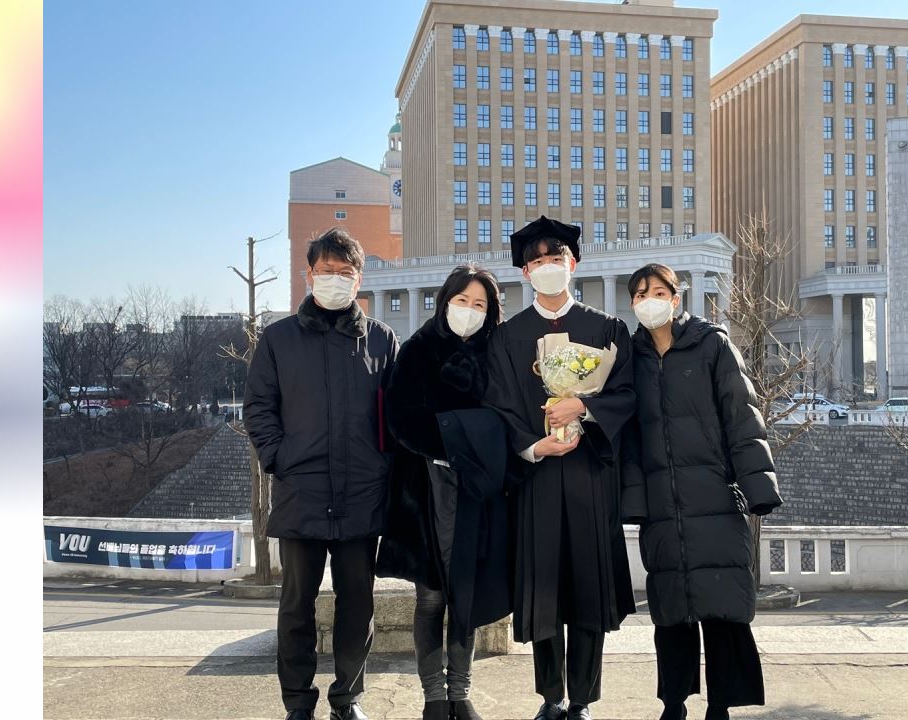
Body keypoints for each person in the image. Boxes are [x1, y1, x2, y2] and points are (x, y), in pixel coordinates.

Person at [483, 216, 637, 720]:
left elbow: (627, 394)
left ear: (574, 263)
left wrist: (584, 408)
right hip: (537, 481)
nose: (547, 266)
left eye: (556, 258)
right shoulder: (507, 338)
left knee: (588, 588)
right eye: (537, 261)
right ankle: (550, 697)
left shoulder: (608, 329)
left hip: (591, 476)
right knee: (543, 587)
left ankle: (582, 700)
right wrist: (533, 447)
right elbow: (499, 406)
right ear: (524, 272)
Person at [244, 228, 400, 720]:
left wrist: (384, 467)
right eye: (326, 270)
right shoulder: (278, 339)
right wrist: (279, 457)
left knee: (358, 605)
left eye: (345, 272)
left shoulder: (381, 340)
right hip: (301, 493)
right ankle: (297, 702)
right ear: (309, 275)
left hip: (362, 496)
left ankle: (347, 698)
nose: (335, 279)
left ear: (359, 279)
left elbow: (396, 414)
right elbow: (259, 407)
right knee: (296, 606)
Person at [619, 264, 783, 720]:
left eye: (657, 292)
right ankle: (673, 703)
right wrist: (632, 501)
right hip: (661, 505)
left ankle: (720, 705)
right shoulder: (629, 356)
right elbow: (627, 436)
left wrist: (757, 486)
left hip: (713, 495)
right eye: (639, 294)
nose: (648, 300)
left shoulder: (712, 345)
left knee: (721, 606)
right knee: (671, 609)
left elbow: (742, 416)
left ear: (676, 298)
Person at [376, 265, 514, 720]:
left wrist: (476, 451)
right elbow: (400, 417)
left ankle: (461, 690)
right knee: (431, 597)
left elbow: (507, 416)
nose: (469, 310)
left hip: (477, 491)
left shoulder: (496, 353)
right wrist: (450, 445)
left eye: (479, 304)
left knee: (466, 596)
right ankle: (434, 694)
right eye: (462, 301)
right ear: (445, 302)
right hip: (424, 489)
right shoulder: (418, 349)